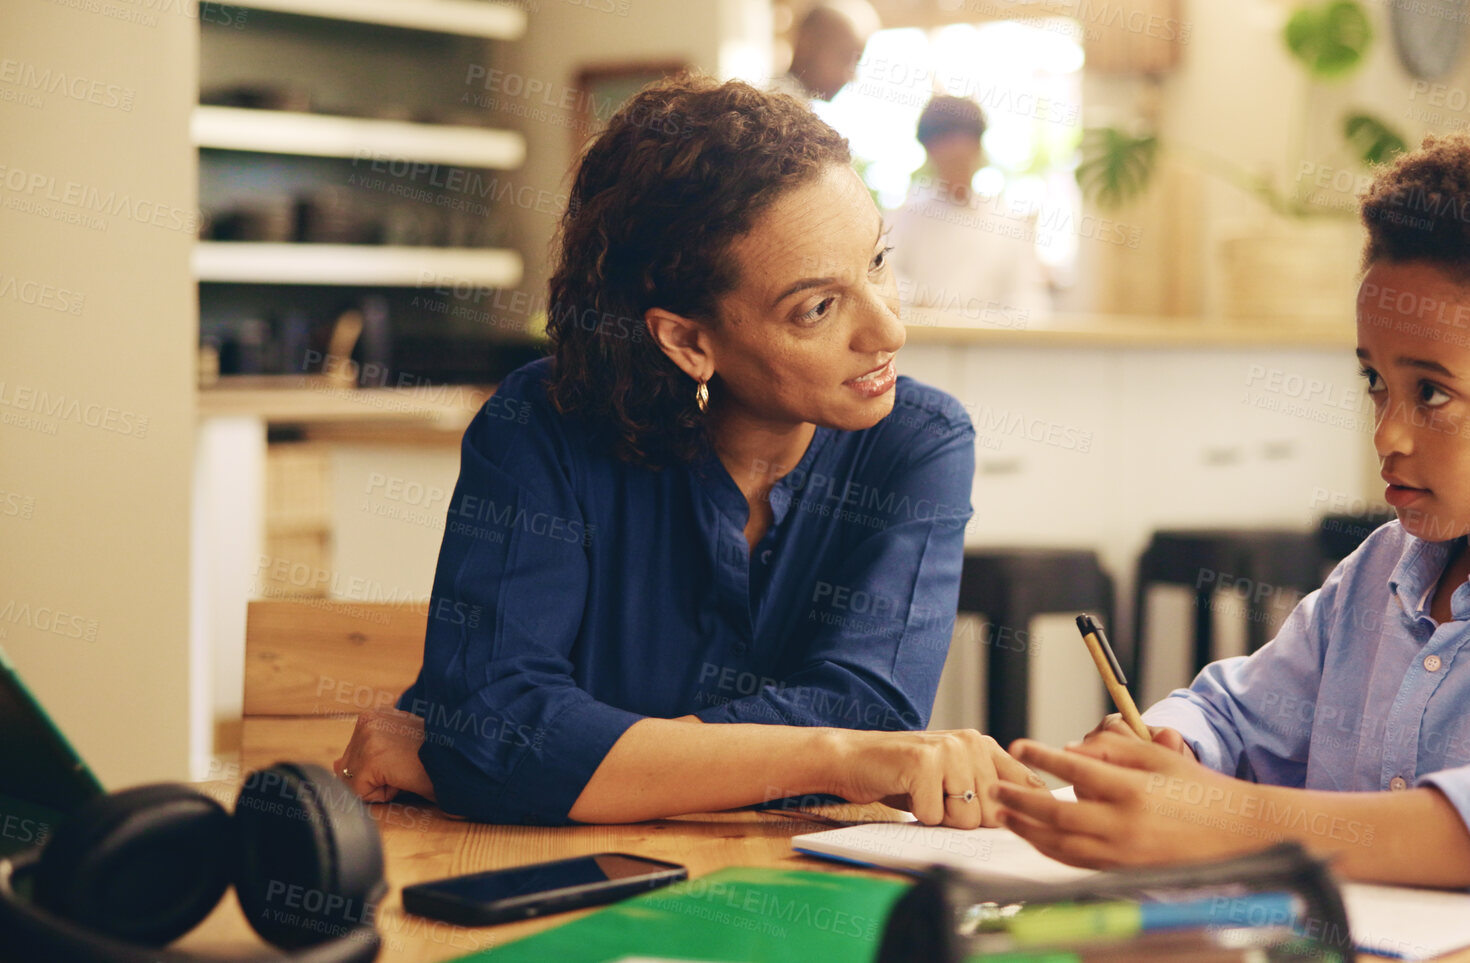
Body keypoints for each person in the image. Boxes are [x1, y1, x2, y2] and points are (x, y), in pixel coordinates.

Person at [991, 123, 1470, 962]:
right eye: (1376, 382)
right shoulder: (1377, 572)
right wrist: (1165, 751)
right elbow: (1236, 712)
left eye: (1433, 393)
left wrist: (1219, 816)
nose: (1387, 433)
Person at [335, 76, 1037, 828]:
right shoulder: (539, 426)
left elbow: (868, 703)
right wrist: (835, 757)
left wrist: (524, 764)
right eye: (817, 307)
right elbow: (498, 721)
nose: (887, 330)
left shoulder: (917, 440)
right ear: (688, 340)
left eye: (876, 262)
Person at [890, 96, 1052, 328]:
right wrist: (920, 302)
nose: (956, 150)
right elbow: (885, 281)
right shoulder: (904, 219)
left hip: (989, 349)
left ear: (978, 146)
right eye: (944, 141)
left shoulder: (1008, 223)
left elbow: (1029, 300)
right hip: (924, 345)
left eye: (964, 140)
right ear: (928, 149)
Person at [773, 0, 879, 103]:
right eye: (843, 57)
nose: (850, 77)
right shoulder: (772, 110)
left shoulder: (795, 107)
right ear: (807, 42)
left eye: (855, 62)